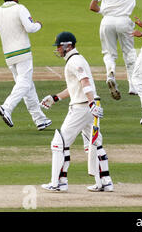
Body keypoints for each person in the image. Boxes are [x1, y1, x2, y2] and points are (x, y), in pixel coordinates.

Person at [40, 32, 113, 192]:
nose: (57, 50)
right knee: (95, 143)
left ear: (67, 46)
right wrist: (55, 98)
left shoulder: (74, 61)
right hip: (88, 106)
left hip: (82, 107)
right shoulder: (76, 60)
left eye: (59, 46)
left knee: (58, 143)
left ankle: (58, 183)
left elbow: (85, 82)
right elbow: (76, 87)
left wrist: (91, 102)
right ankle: (105, 181)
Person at [0, 0, 52, 131]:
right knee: (25, 84)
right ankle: (6, 107)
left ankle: (40, 120)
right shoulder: (20, 8)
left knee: (26, 86)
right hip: (23, 52)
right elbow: (30, 28)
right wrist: (38, 24)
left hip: (9, 56)